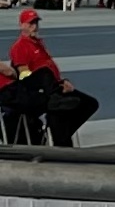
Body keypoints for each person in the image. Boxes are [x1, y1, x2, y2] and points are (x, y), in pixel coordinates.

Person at [9, 9, 98, 145]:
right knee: (46, 76)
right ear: (22, 25)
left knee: (90, 104)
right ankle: (60, 135)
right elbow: (23, 74)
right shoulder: (20, 46)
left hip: (53, 86)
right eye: (31, 23)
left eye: (36, 23)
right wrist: (44, 83)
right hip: (38, 89)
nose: (35, 26)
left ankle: (61, 132)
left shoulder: (38, 43)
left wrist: (62, 82)